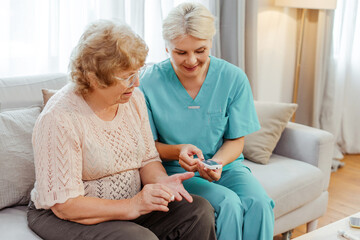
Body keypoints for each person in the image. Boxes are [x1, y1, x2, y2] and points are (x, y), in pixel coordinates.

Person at [27, 19, 216, 240]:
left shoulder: (133, 99)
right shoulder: (59, 118)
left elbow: (148, 160)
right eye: (126, 77)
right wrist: (132, 205)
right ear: (93, 78)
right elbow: (65, 206)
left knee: (198, 210)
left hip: (128, 205)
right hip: (65, 215)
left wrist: (162, 183)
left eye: (137, 73)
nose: (136, 83)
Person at [139, 2, 275, 240]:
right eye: (181, 52)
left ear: (211, 42)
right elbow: (148, 147)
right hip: (176, 171)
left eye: (200, 50)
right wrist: (179, 151)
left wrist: (216, 163)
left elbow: (236, 141)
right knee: (228, 203)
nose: (191, 60)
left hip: (227, 166)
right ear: (166, 47)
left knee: (260, 203)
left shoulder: (233, 78)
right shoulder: (148, 83)